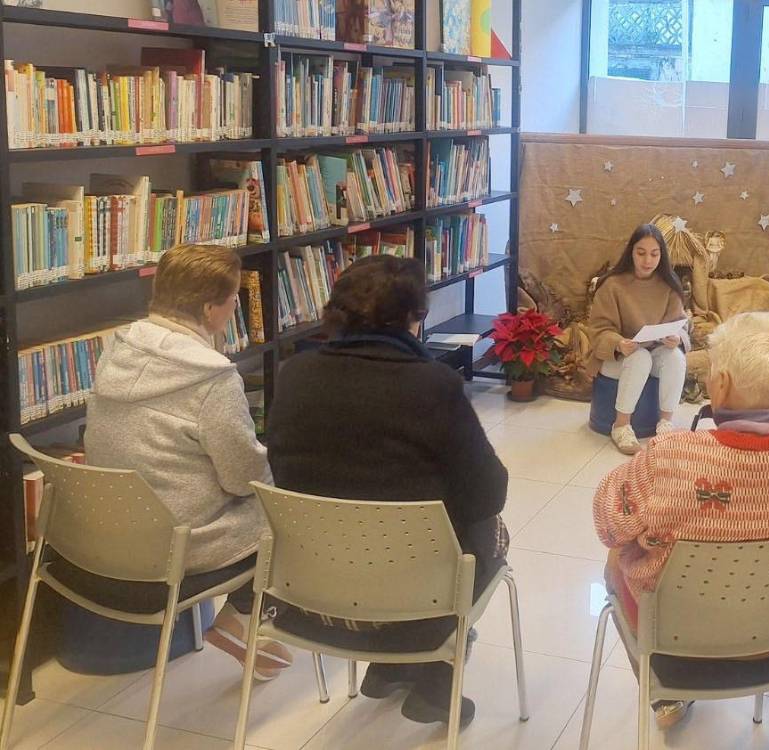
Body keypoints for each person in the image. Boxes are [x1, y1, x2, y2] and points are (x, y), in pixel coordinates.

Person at [265, 255, 508, 728]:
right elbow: (488, 492)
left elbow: (285, 468)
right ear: (412, 320)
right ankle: (435, 678)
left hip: (313, 589)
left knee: (384, 527)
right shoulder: (433, 383)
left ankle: (392, 664)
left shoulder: (294, 374)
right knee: (484, 529)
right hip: (417, 590)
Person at [593, 312, 769, 730]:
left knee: (618, 552)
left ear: (722, 383)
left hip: (684, 639)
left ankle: (666, 695)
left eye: (712, 372)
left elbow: (607, 522)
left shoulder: (672, 457)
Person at [78, 244, 292, 680]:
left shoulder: (117, 348)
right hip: (175, 548)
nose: (236, 306)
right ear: (211, 309)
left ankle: (241, 617)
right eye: (234, 299)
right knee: (288, 510)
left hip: (100, 539)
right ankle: (246, 613)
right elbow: (244, 480)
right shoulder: (212, 377)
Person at [588, 224, 688, 454]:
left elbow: (682, 324)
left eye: (654, 254)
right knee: (640, 357)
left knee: (675, 357)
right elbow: (598, 329)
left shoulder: (668, 285)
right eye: (641, 253)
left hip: (655, 351)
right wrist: (618, 343)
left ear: (661, 256)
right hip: (616, 358)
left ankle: (665, 423)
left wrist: (677, 337)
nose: (647, 260)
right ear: (631, 252)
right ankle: (621, 426)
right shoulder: (612, 285)